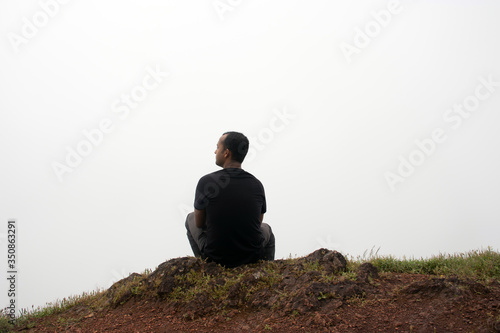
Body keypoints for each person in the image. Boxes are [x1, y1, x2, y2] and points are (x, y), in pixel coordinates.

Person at [185, 131, 275, 268]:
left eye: (217, 147)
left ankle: (207, 266)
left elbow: (199, 223)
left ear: (226, 153)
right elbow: (258, 223)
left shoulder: (206, 182)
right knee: (266, 228)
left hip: (216, 257)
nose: (215, 151)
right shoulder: (257, 184)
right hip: (250, 256)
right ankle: (266, 268)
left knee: (190, 218)